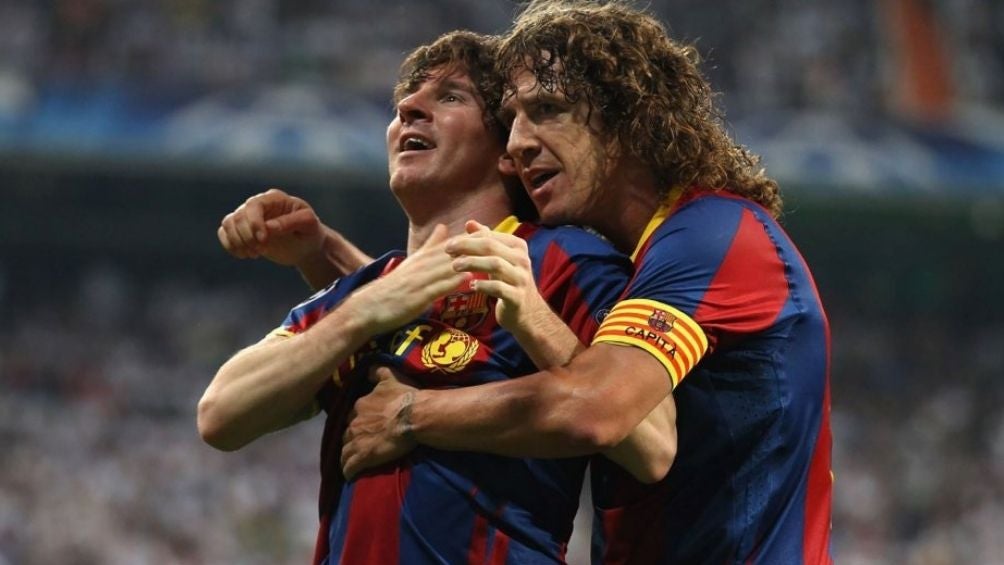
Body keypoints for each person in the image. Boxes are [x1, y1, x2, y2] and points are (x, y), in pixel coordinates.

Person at [340, 2, 833, 563]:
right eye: (512, 118)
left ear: (629, 117)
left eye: (548, 109)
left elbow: (597, 409)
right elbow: (467, 331)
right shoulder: (645, 256)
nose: (517, 143)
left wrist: (410, 414)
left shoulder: (717, 235)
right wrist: (328, 254)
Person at [199, 30, 675, 564]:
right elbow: (220, 415)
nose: (409, 109)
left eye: (449, 97)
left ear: (505, 153)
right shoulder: (371, 289)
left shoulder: (559, 260)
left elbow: (649, 439)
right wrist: (364, 310)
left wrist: (418, 410)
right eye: (404, 102)